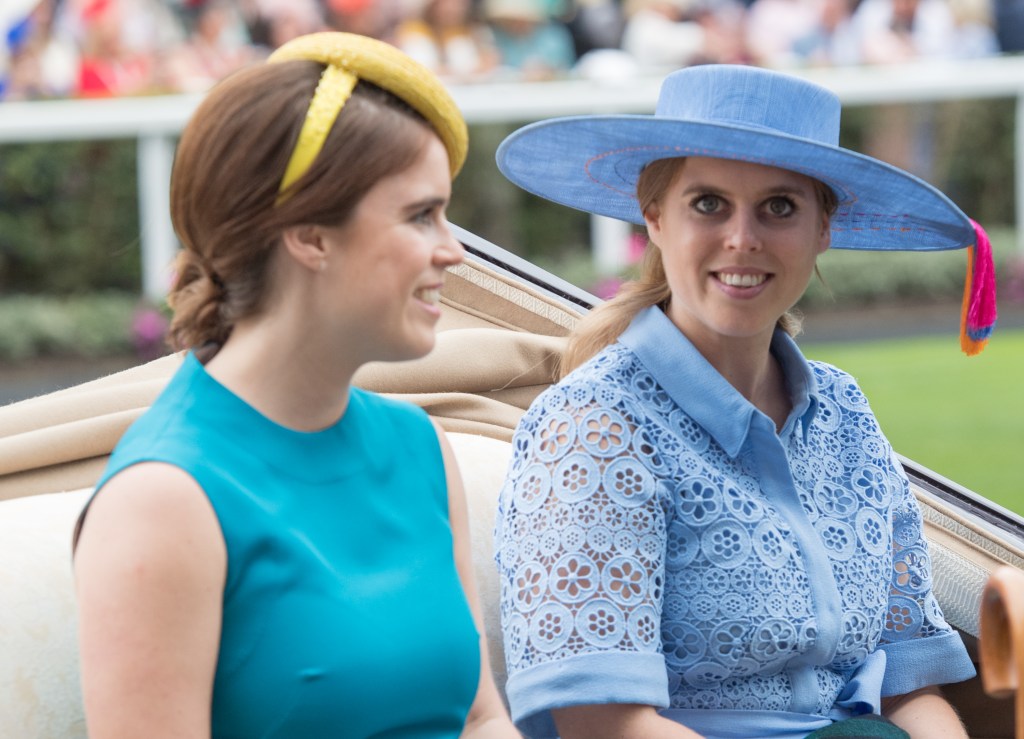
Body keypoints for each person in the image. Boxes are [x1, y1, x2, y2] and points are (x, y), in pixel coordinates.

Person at [493, 64, 996, 738]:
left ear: (824, 228)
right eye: (707, 203)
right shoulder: (594, 424)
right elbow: (602, 724)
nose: (742, 238)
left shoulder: (843, 411)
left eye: (780, 207)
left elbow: (911, 684)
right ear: (655, 218)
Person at [73, 31, 519, 738]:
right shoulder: (162, 498)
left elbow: (480, 717)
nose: (452, 250)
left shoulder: (421, 446)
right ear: (310, 235)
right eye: (420, 215)